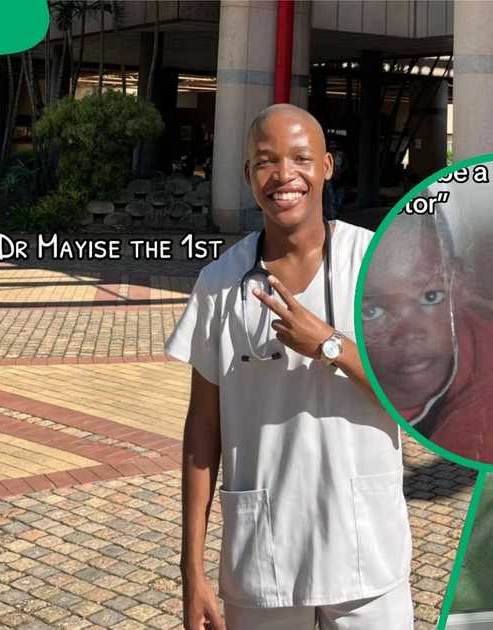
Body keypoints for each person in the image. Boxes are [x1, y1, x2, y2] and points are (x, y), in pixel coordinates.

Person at [169, 103, 412, 630]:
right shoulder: (220, 283)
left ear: (327, 166)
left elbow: (414, 395)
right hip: (265, 562)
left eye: (300, 158)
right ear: (248, 175)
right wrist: (192, 570)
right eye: (266, 161)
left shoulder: (378, 264)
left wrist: (329, 344)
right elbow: (202, 430)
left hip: (366, 556)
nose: (284, 175)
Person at [361, 211, 493, 465]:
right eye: (371, 311)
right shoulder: (339, 396)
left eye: (431, 296)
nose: (409, 334)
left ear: (458, 284)